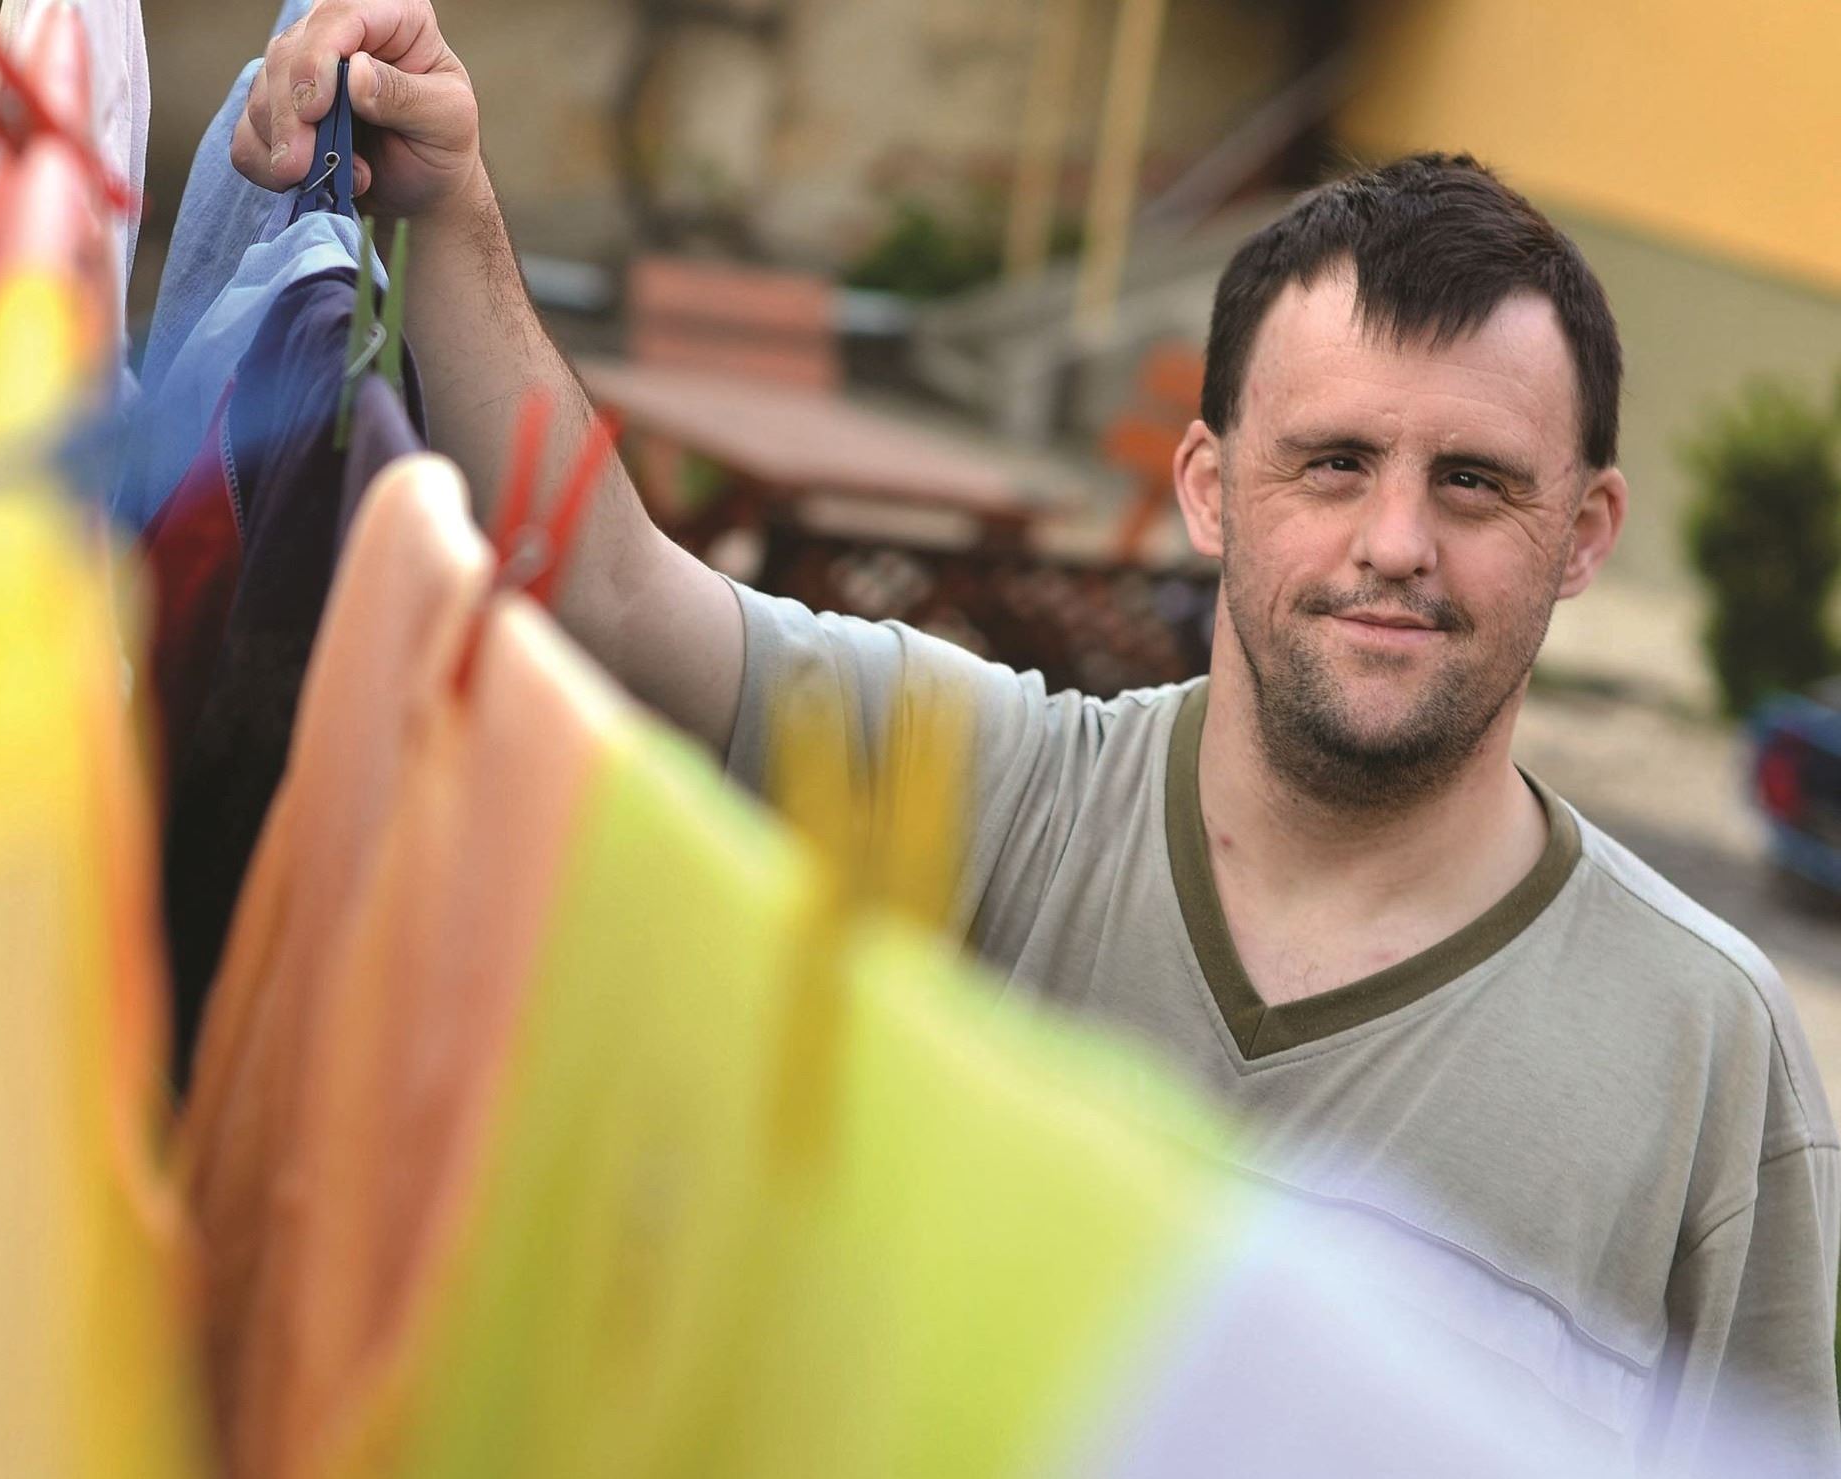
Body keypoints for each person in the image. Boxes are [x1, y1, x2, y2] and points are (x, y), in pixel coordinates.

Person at [224, 2, 1841, 1467]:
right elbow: (613, 594)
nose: (1397, 541)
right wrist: (457, 215)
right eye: (1333, 462)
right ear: (1211, 491)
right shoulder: (989, 797)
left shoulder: (1705, 1043)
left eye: (1475, 481)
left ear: (1588, 529)